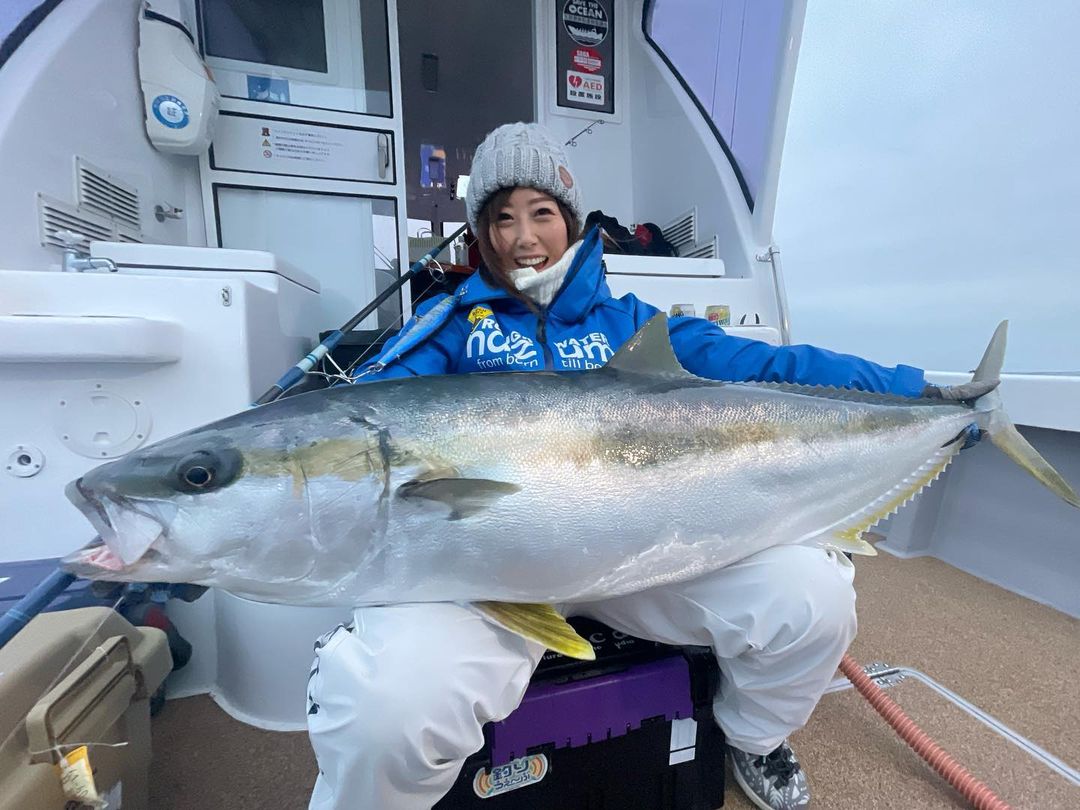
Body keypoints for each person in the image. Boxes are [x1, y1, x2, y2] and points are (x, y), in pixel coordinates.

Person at [305, 122, 993, 810]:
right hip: (487, 571)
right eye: (501, 218)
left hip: (642, 554)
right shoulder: (449, 326)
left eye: (541, 212)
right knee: (384, 710)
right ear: (482, 233)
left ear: (572, 220)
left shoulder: (634, 326)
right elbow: (369, 413)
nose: (523, 237)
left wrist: (920, 395)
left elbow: (773, 367)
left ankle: (753, 737)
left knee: (813, 598)